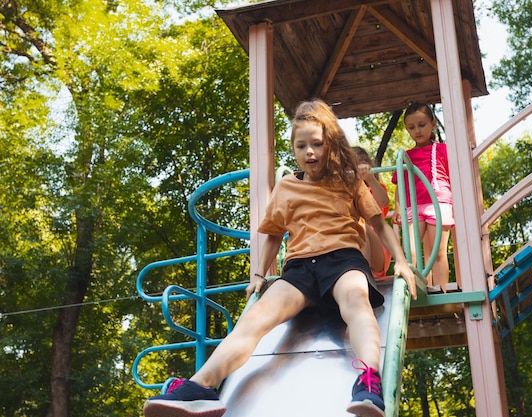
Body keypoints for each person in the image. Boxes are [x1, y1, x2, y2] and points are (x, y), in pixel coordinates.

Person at [143, 99, 417, 417]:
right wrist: (258, 274)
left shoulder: (348, 180)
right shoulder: (286, 185)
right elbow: (274, 234)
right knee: (255, 319)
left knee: (356, 301)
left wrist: (401, 261)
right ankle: (201, 386)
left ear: (330, 145)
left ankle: (369, 381)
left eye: (317, 144)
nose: (310, 152)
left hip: (343, 261)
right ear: (294, 149)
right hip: (299, 269)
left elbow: (377, 223)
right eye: (302, 146)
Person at [391, 102, 454, 292]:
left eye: (422, 125)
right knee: (409, 251)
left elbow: (454, 177)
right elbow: (399, 184)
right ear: (407, 129)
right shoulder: (405, 156)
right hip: (413, 205)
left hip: (439, 201)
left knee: (437, 253)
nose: (417, 130)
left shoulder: (443, 149)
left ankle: (441, 291)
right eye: (412, 127)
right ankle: (415, 290)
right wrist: (397, 206)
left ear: (433, 123)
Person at [352, 146, 392, 279]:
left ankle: (363, 277)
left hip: (378, 249)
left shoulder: (374, 189)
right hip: (353, 246)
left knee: (361, 225)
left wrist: (370, 179)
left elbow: (384, 203)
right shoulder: (348, 192)